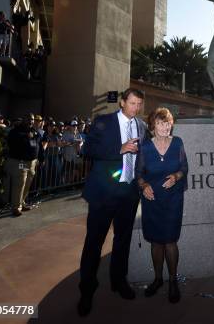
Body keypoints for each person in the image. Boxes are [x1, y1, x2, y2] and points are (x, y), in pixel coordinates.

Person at [77, 88, 148, 317]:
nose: (136, 108)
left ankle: (119, 281)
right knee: (93, 244)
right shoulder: (103, 122)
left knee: (123, 241)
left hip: (128, 195)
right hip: (102, 194)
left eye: (139, 104)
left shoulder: (142, 126)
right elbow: (87, 149)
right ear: (122, 102)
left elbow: (143, 160)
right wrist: (119, 149)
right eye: (132, 103)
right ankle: (86, 291)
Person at [136, 107, 187, 302]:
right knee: (156, 241)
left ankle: (173, 281)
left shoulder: (178, 143)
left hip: (173, 200)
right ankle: (158, 279)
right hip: (152, 200)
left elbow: (184, 168)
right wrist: (144, 185)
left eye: (167, 123)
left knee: (171, 241)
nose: (165, 127)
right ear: (152, 126)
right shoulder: (146, 147)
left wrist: (176, 176)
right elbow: (139, 174)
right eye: (160, 123)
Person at [5, 113, 40, 216]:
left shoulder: (33, 130)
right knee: (20, 183)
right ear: (23, 120)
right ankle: (16, 207)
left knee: (28, 183)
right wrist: (26, 137)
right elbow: (13, 142)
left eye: (32, 119)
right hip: (21, 162)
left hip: (32, 162)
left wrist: (38, 158)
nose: (31, 121)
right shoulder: (16, 131)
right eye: (29, 119)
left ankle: (22, 202)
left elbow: (37, 141)